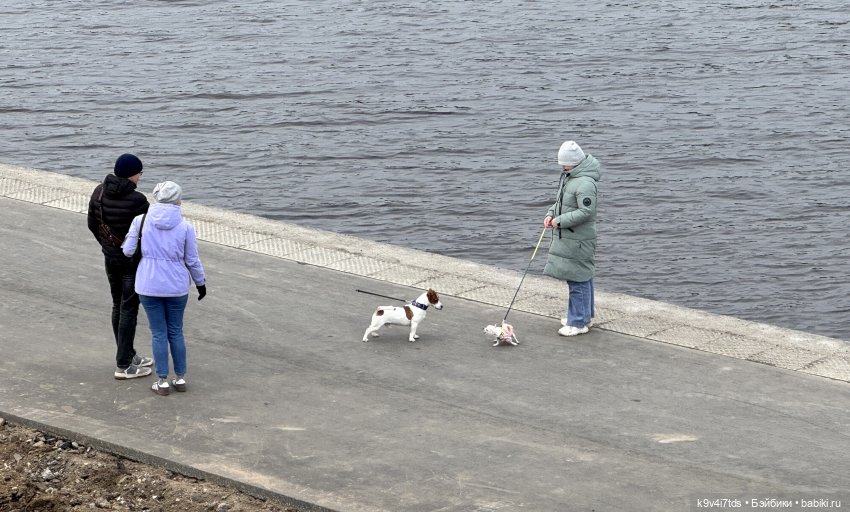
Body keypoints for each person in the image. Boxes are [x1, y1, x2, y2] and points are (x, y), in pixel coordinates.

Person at [123, 181, 206, 396]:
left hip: (148, 285)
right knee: (176, 331)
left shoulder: (140, 221)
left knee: (158, 333)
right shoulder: (186, 226)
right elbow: (192, 260)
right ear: (177, 200)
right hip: (177, 286)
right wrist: (200, 283)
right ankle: (180, 378)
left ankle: (162, 381)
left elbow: (129, 251)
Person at [87, 153, 153, 379]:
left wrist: (108, 246)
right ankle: (123, 364)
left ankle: (128, 353)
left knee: (118, 305)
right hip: (131, 262)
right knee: (129, 309)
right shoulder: (138, 201)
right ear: (131, 174)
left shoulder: (99, 191)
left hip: (110, 257)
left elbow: (92, 224)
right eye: (139, 173)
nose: (140, 177)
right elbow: (147, 234)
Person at [543, 140, 601, 337]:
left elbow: (586, 212)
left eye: (564, 163)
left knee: (578, 280)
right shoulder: (571, 177)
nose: (561, 167)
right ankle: (584, 316)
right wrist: (551, 214)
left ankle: (578, 322)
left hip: (579, 240)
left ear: (574, 163)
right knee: (581, 277)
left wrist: (559, 221)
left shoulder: (584, 183)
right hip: (572, 239)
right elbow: (561, 202)